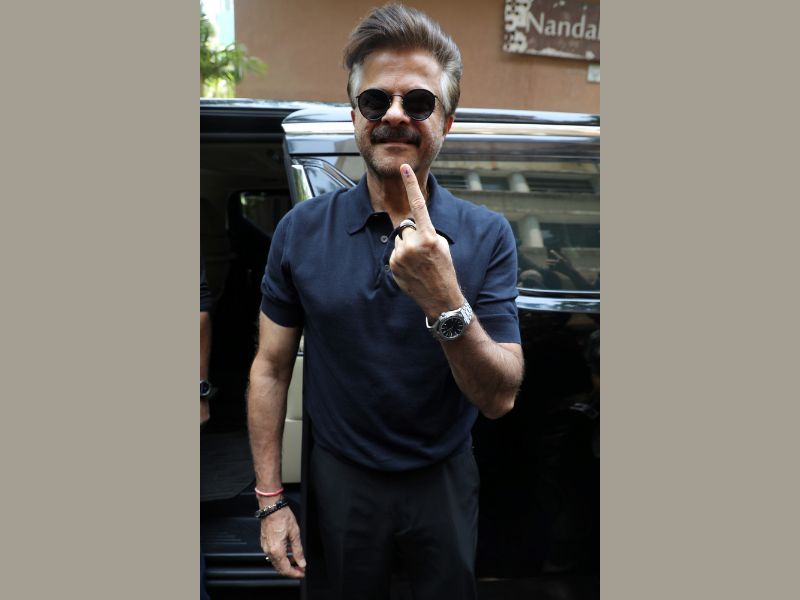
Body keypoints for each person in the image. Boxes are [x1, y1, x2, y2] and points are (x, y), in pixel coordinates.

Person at [247, 4, 524, 599]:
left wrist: (443, 297)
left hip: (443, 476)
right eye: (376, 101)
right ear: (355, 116)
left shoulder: (487, 235)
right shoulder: (300, 231)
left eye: (419, 102)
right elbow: (270, 368)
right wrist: (270, 501)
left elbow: (499, 397)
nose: (395, 114)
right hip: (340, 477)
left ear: (447, 122)